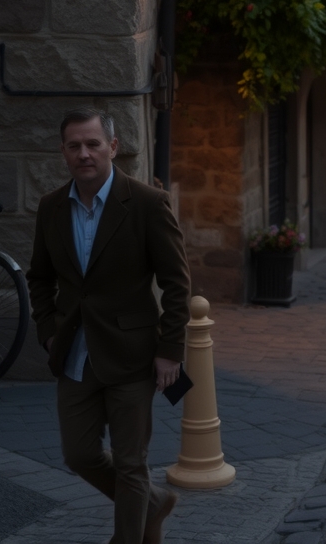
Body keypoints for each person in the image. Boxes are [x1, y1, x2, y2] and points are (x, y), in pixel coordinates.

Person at [27, 108, 191, 544]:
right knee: (79, 454)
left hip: (132, 355)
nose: (85, 153)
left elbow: (176, 283)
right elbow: (38, 278)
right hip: (75, 355)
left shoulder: (147, 204)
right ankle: (153, 504)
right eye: (75, 145)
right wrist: (48, 330)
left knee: (131, 463)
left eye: (93, 144)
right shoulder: (50, 208)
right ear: (63, 152)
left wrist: (171, 350)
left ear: (113, 147)